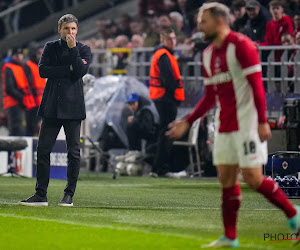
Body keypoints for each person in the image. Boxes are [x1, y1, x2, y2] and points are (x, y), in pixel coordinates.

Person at [167, 2, 300, 248]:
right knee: (226, 179)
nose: (199, 27)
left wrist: (262, 121)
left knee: (253, 178)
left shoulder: (242, 46)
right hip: (224, 124)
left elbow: (257, 86)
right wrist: (188, 121)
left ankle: (294, 215)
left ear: (219, 21)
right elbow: (210, 96)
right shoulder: (207, 55)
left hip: (248, 122)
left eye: (203, 21)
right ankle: (230, 236)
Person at [19, 14, 91, 207]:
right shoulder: (50, 47)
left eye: (73, 29)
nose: (70, 32)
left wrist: (72, 50)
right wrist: (67, 69)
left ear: (77, 30)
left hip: (73, 108)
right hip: (51, 106)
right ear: (60, 29)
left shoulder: (83, 49)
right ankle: (40, 194)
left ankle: (69, 195)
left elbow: (80, 71)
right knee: (43, 150)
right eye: (67, 29)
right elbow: (43, 71)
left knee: (73, 153)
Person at [149, 27, 185, 176]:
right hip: (166, 98)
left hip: (161, 97)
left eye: (174, 38)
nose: (172, 42)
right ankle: (162, 167)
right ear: (163, 40)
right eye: (169, 39)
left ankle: (158, 167)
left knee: (164, 131)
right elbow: (168, 79)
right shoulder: (164, 55)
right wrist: (174, 96)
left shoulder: (164, 54)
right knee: (167, 133)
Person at [1, 48, 36, 136]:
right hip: (13, 102)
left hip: (20, 102)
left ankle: (16, 148)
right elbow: (9, 88)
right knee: (16, 127)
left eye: (20, 55)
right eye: (16, 55)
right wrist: (22, 98)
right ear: (12, 56)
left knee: (20, 126)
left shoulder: (19, 67)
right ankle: (14, 148)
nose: (19, 57)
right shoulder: (9, 68)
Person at [23, 43, 46, 136]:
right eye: (39, 53)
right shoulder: (29, 66)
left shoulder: (39, 67)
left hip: (40, 103)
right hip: (32, 103)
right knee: (30, 127)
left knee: (37, 127)